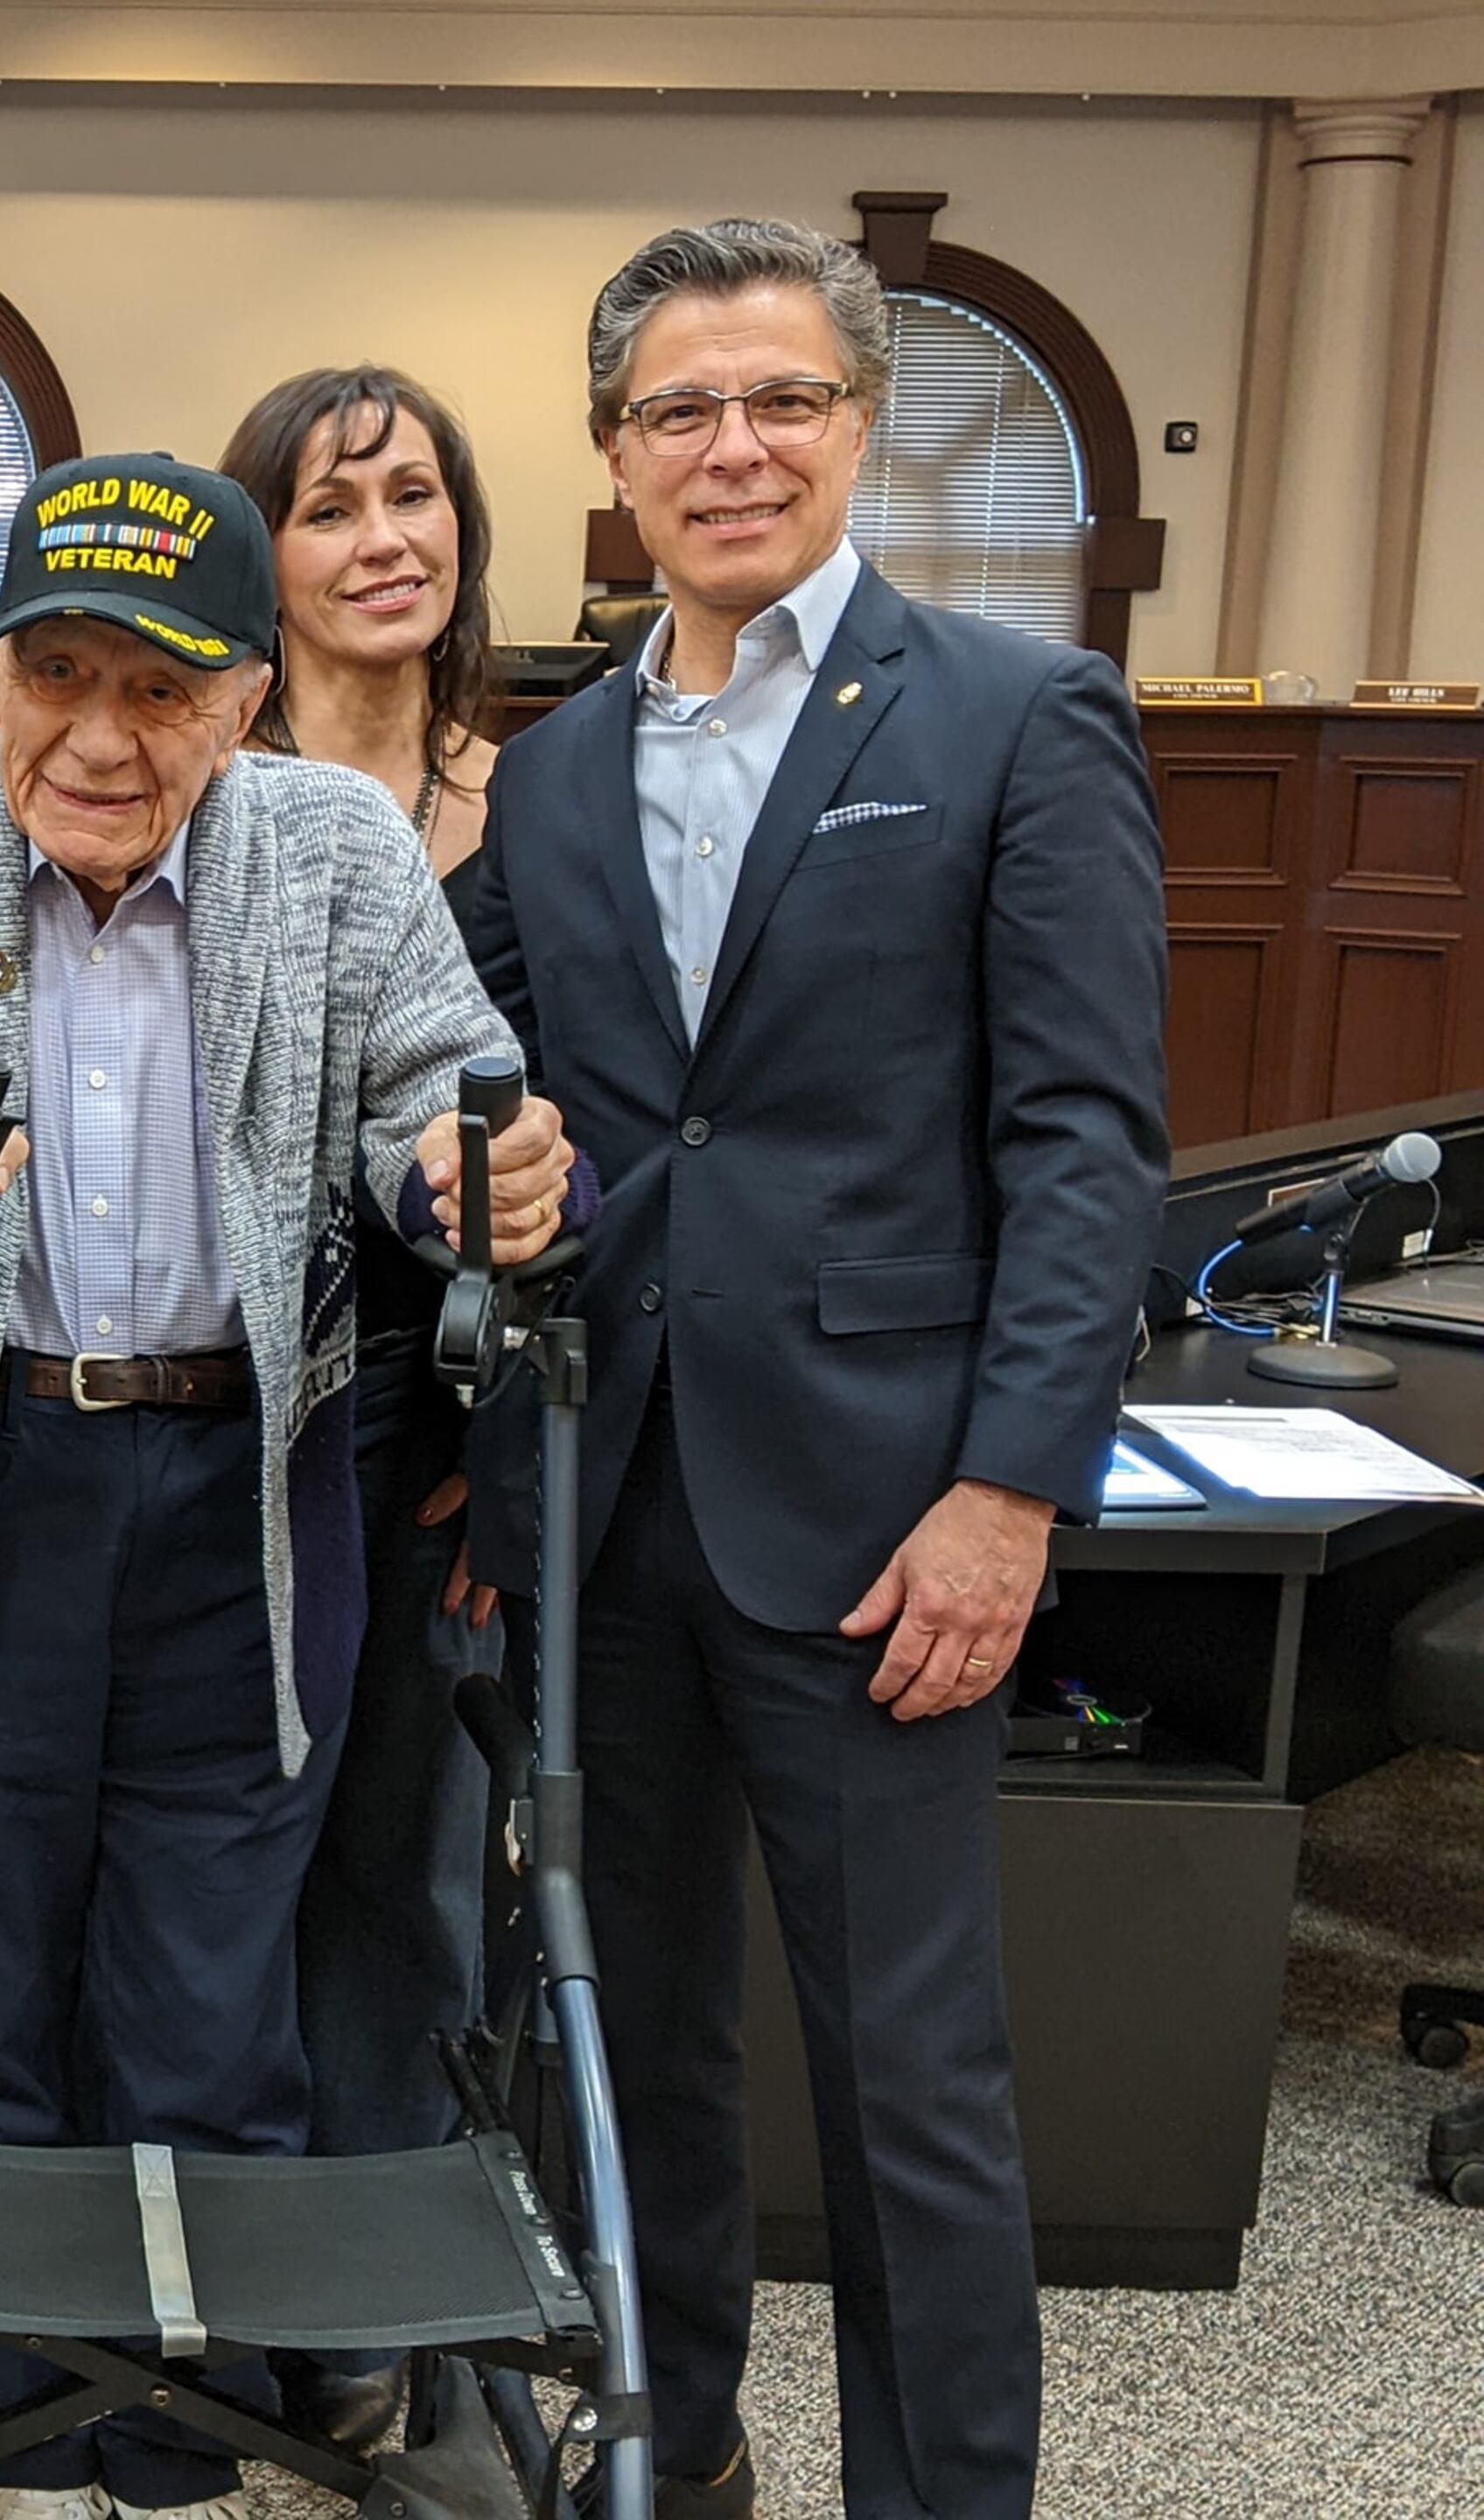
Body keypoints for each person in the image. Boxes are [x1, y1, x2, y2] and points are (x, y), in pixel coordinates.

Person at [0, 452, 582, 2520]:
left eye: (165, 685)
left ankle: (182, 2446)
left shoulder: (339, 848)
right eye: (57, 673)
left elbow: (435, 1109)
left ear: (253, 693)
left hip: (240, 1500)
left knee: (210, 2007)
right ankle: (19, 2430)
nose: (103, 736)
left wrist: (491, 1180)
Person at [462, 219, 1169, 2520]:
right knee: (630, 2048)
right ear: (615, 459)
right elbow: (549, 1123)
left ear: (858, 426)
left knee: (909, 2087)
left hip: (886, 1522)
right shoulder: (552, 781)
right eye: (680, 409)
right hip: (610, 1502)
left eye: (780, 401)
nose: (733, 446)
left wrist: (1013, 1490)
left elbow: (1083, 1142)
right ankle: (678, 2456)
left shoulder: (1012, 717)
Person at [215, 364, 508, 2458]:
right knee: (215, 1860)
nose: (385, 537)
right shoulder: (190, 786)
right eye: (332, 507)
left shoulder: (556, 803)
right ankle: (208, 2279)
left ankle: (375, 2295)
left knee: (402, 1865)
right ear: (262, 555)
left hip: (448, 1419)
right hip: (216, 1405)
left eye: (417, 495)